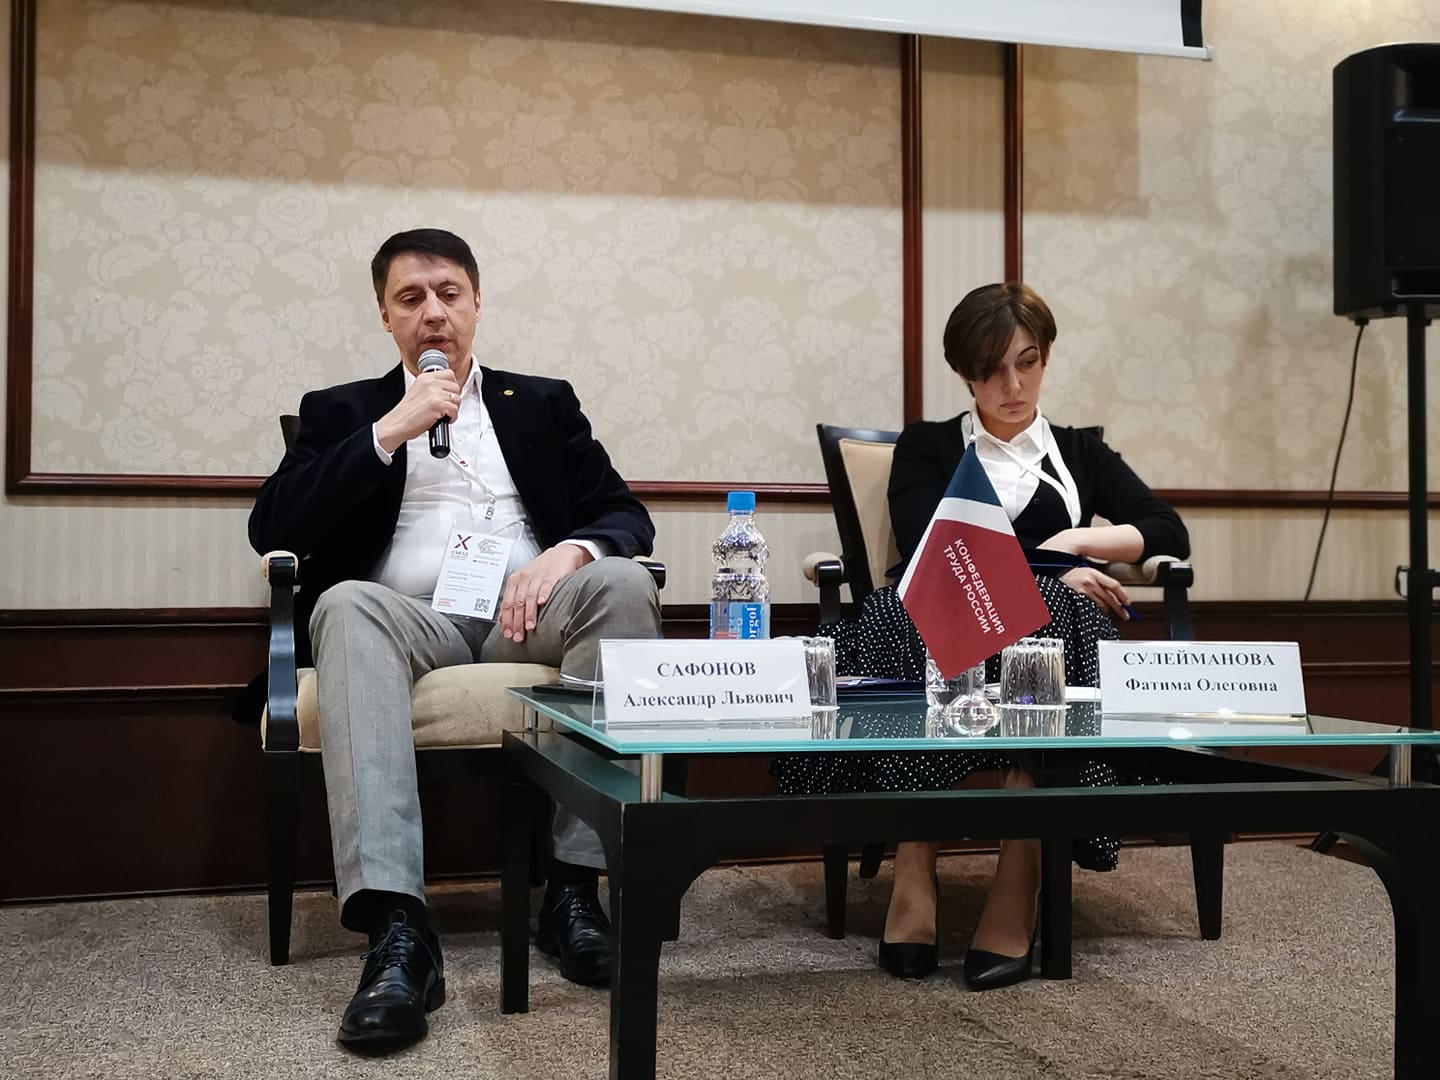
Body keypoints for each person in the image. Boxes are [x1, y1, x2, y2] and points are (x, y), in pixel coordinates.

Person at [248, 228, 661, 1050]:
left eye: (448, 295)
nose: (432, 313)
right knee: (348, 604)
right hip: (409, 621)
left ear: (476, 303)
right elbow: (274, 526)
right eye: (411, 299)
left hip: (524, 618)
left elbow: (623, 513)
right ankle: (398, 929)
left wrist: (568, 554)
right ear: (385, 316)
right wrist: (388, 431)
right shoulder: (343, 411)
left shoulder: (541, 403)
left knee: (621, 581)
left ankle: (574, 889)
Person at [775, 282, 1188, 989]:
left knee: (1050, 617)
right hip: (942, 607)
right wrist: (1052, 569)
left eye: (1027, 363)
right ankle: (914, 857)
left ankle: (1020, 864)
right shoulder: (928, 446)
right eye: (992, 370)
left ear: (1046, 357)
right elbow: (929, 546)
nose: (1013, 386)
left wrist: (1073, 543)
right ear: (964, 373)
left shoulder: (1080, 451)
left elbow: (1166, 530)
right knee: (915, 609)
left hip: (1049, 629)